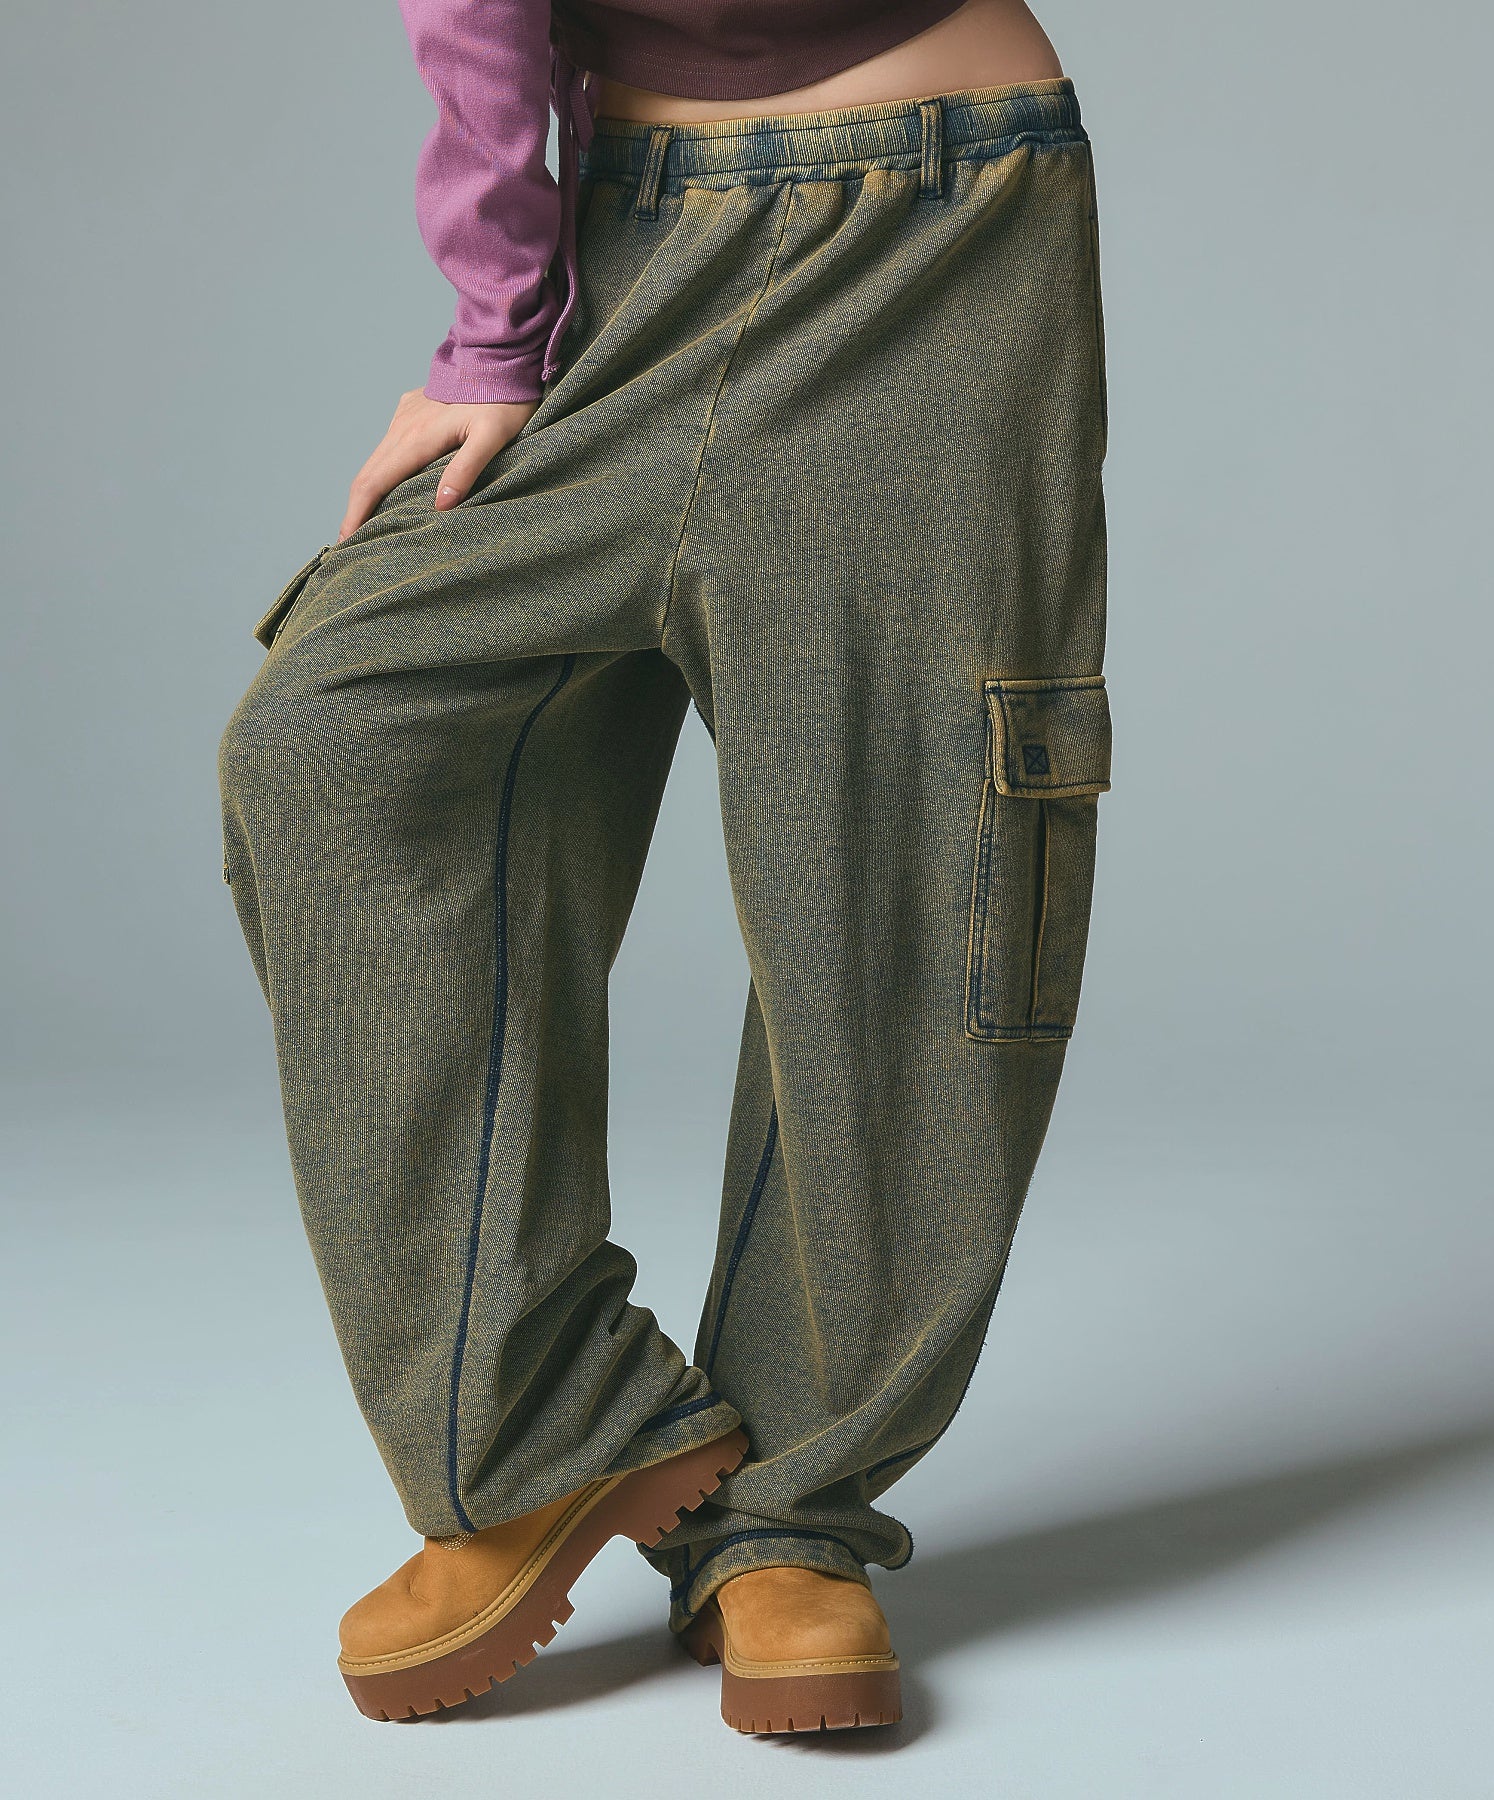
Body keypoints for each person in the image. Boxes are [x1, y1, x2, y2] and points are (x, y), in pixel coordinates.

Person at [217, 0, 1112, 1736]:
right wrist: (499, 325)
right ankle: (549, 1425)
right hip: (625, 247)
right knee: (334, 744)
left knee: (902, 864)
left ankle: (793, 1510)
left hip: (943, 240)